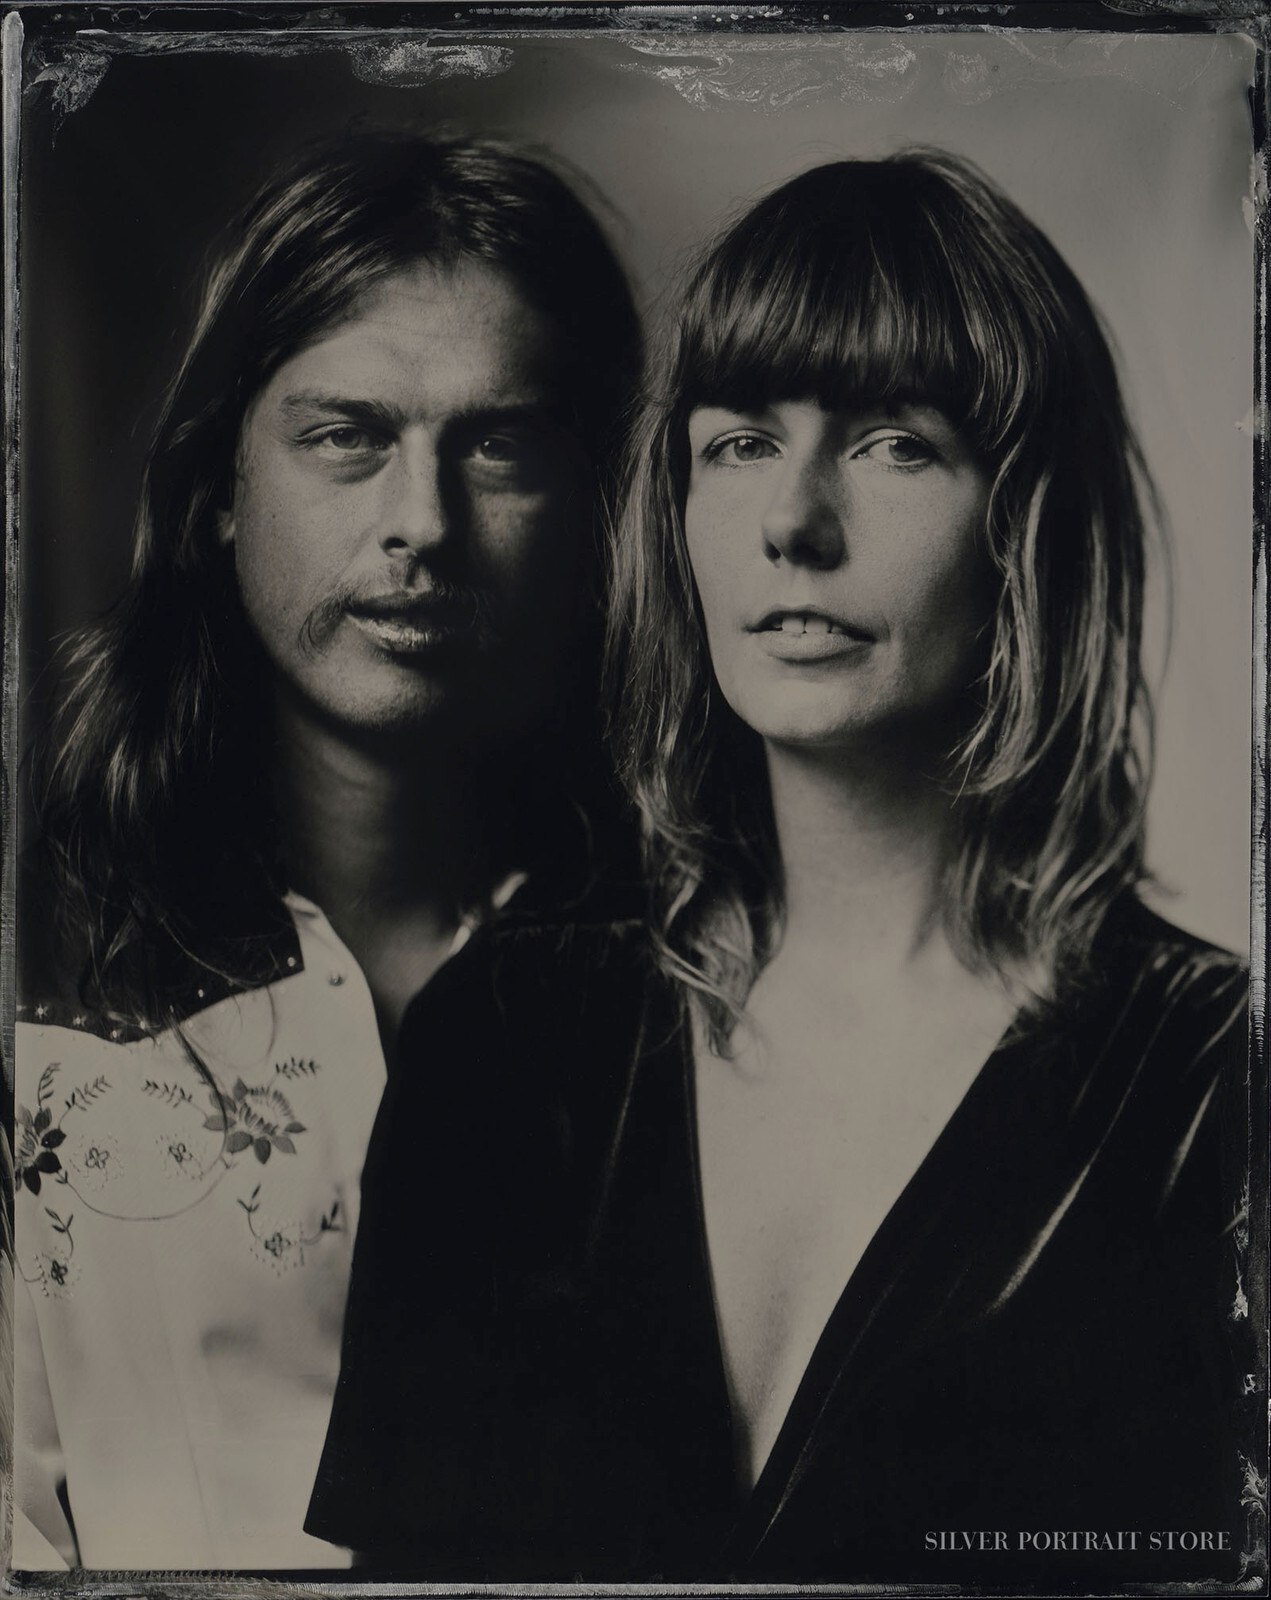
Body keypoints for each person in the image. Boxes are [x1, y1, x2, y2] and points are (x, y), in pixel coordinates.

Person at [307, 151, 1256, 1584]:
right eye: (741, 439)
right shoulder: (501, 1040)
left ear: (1030, 528)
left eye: (895, 445)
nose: (791, 523)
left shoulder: (1211, 1091)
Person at [13, 128, 640, 1570]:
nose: (422, 525)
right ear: (222, 484)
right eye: (346, 437)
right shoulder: (40, 980)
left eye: (497, 445)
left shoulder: (700, 985)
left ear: (600, 508)